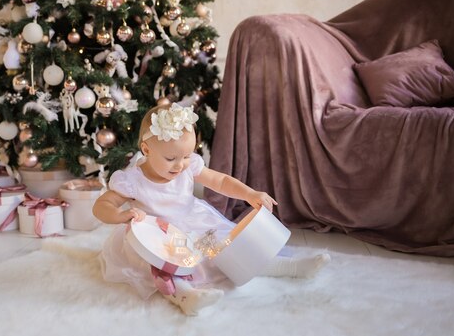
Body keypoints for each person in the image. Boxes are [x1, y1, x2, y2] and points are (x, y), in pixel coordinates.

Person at [93, 103, 330, 315]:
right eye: (171, 158)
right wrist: (121, 215)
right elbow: (102, 205)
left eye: (187, 155)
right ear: (146, 150)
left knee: (227, 247)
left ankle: (288, 267)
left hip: (193, 220)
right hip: (156, 235)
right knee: (163, 264)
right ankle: (185, 295)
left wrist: (249, 193)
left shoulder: (187, 166)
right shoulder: (133, 180)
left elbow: (220, 181)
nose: (181, 164)